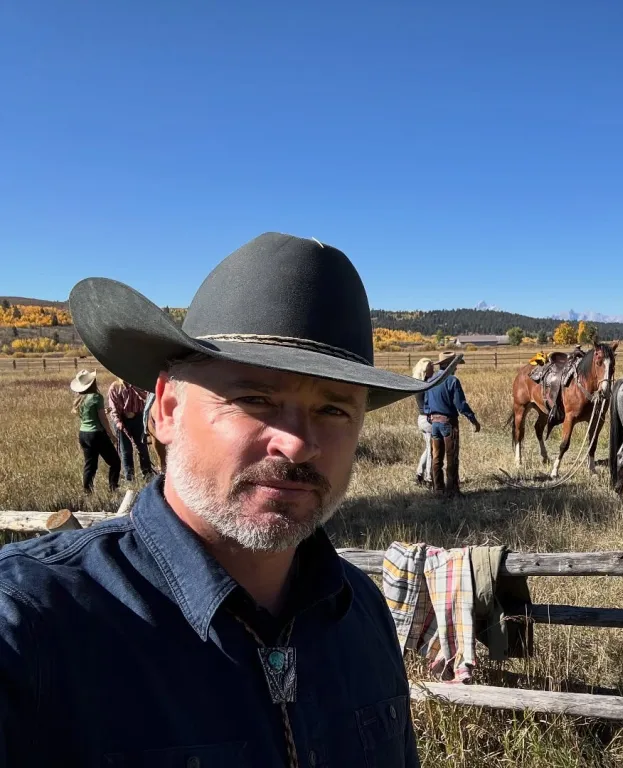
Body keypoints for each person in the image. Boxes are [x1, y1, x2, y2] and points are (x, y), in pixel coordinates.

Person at [0, 233, 447, 765]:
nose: (299, 442)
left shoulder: (363, 614)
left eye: (334, 409)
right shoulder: (31, 627)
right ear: (166, 409)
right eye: (255, 398)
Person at [422, 352, 480, 496]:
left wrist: (431, 416)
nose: (456, 368)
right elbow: (460, 405)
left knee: (436, 458)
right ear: (449, 366)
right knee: (451, 456)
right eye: (455, 365)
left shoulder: (430, 380)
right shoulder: (452, 381)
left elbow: (426, 405)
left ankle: (438, 489)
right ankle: (452, 490)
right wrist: (473, 419)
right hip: (448, 423)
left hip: (434, 423)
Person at [70, 369, 121, 493]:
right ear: (93, 383)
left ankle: (87, 491)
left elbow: (90, 415)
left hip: (84, 434)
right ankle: (113, 488)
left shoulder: (80, 399)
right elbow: (103, 420)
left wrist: (103, 411)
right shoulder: (97, 397)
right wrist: (111, 435)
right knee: (115, 462)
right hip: (97, 434)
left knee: (90, 465)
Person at [107, 377, 155, 481]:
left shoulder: (138, 385)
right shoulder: (115, 387)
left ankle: (147, 473)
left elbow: (146, 397)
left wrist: (135, 387)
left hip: (138, 419)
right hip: (122, 419)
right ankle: (130, 477)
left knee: (142, 447)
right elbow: (113, 407)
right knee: (126, 450)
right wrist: (118, 421)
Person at [411, 358, 435, 486]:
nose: (434, 370)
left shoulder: (417, 383)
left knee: (428, 447)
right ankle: (428, 477)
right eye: (432, 368)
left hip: (421, 418)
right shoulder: (427, 385)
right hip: (428, 418)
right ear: (426, 370)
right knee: (432, 449)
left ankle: (419, 474)